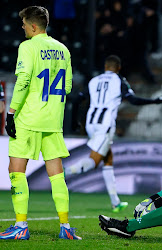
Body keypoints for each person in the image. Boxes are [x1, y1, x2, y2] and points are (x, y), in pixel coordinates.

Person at [0, 6, 81, 240]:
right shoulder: (63, 49)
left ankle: (20, 226)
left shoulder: (27, 47)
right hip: (53, 120)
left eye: (24, 23)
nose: (22, 27)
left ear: (33, 26)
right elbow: (67, 86)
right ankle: (65, 227)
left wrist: (12, 112)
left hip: (28, 118)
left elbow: (24, 80)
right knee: (57, 175)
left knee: (16, 171)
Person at [65, 55, 162, 212]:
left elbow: (78, 99)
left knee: (108, 159)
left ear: (105, 66)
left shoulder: (94, 80)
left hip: (91, 124)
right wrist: (155, 101)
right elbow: (132, 100)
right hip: (105, 125)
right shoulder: (119, 81)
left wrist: (74, 122)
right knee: (93, 162)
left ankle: (115, 202)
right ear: (118, 68)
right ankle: (60, 173)